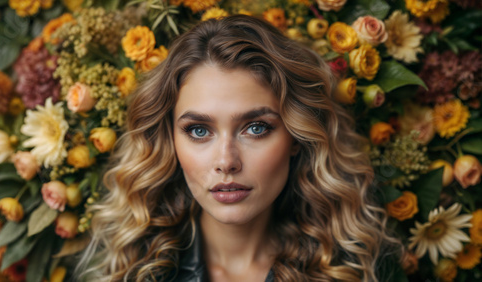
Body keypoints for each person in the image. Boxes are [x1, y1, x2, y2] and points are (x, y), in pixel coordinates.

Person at [76, 15, 402, 282]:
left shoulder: (361, 269)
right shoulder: (128, 271)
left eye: (256, 128)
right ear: (169, 141)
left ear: (296, 137)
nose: (226, 161)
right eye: (199, 130)